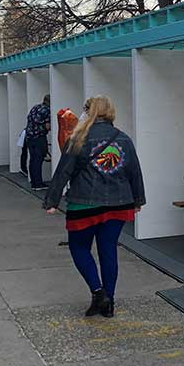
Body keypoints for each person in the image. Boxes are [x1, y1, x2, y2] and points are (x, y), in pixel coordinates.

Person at [43, 96, 145, 318]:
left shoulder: (78, 138)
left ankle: (98, 293)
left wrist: (52, 201)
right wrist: (138, 201)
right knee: (108, 250)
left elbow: (63, 172)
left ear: (88, 112)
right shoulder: (124, 139)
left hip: (84, 203)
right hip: (119, 203)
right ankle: (109, 301)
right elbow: (134, 172)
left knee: (79, 248)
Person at [24, 94, 51, 189]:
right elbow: (47, 126)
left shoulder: (35, 107)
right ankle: (39, 184)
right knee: (38, 160)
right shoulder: (47, 110)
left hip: (29, 137)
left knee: (32, 160)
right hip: (39, 137)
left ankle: (33, 183)